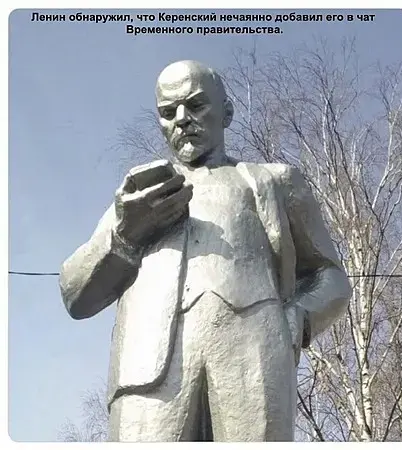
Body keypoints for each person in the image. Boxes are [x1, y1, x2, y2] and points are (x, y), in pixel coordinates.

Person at [59, 60, 352, 441]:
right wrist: (126, 235)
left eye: (195, 105)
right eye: (168, 112)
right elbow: (75, 294)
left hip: (253, 365)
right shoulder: (139, 195)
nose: (181, 119)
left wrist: (298, 318)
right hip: (145, 370)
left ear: (226, 112)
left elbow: (330, 276)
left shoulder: (274, 181)